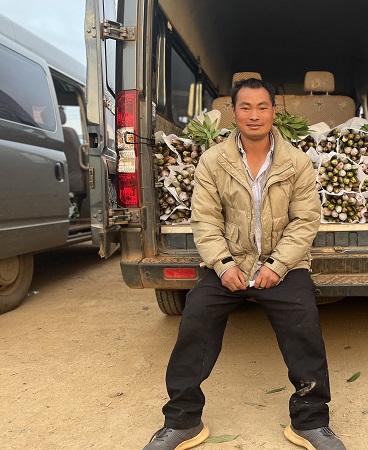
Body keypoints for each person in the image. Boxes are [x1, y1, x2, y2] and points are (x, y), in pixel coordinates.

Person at [143, 78, 346, 450]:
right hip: (229, 263)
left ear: (273, 112)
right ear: (233, 112)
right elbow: (205, 220)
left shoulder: (296, 162)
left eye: (262, 107)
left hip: (283, 266)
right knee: (196, 321)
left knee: (304, 327)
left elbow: (305, 220)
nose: (255, 115)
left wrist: (277, 265)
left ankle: (310, 421)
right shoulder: (213, 161)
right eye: (246, 107)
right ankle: (183, 421)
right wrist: (223, 265)